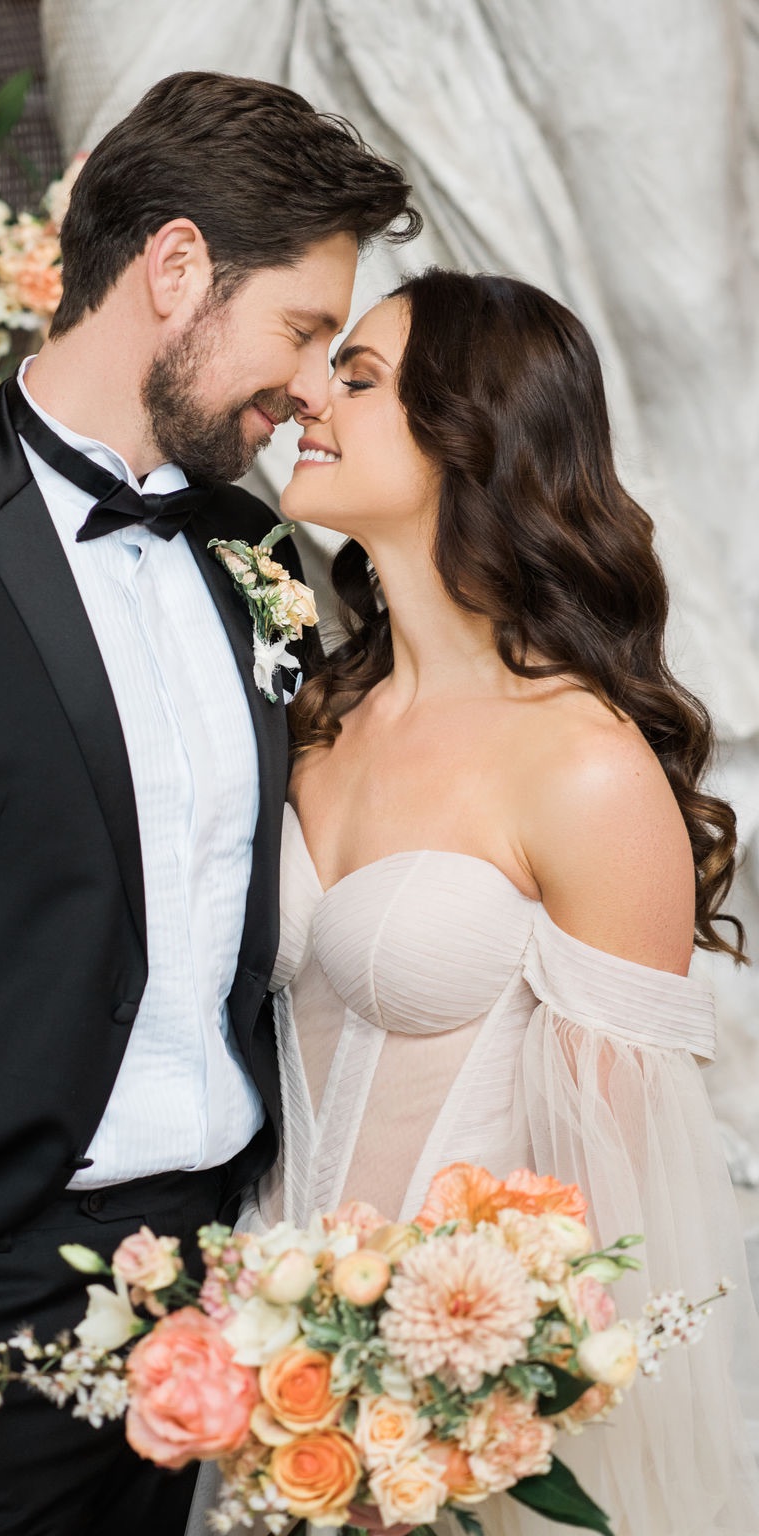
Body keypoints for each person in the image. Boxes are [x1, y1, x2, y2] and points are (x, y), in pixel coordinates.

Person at [0, 71, 418, 1536]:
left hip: (231, 1309)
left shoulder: (258, 556)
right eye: (303, 329)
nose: (312, 385)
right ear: (175, 268)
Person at [258, 269, 759, 1532]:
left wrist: (437, 1424)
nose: (310, 398)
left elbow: (617, 1203)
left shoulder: (581, 760)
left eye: (357, 378)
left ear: (466, 432)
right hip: (262, 1394)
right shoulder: (309, 721)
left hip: (472, 1438)